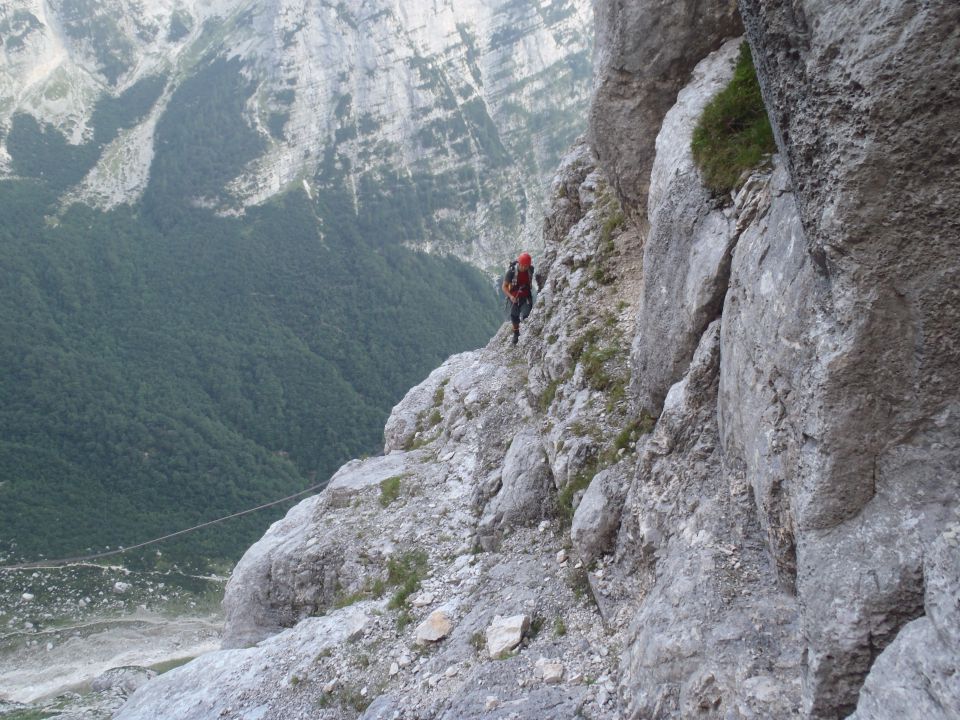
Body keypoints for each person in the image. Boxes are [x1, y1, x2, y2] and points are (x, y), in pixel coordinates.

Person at [502, 251, 535, 345]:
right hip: (514, 297)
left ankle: (527, 334)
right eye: (523, 265)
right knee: (514, 316)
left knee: (526, 315)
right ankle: (516, 333)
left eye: (526, 266)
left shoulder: (530, 269)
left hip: (526, 296)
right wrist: (511, 296)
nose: (524, 268)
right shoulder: (511, 272)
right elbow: (504, 287)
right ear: (519, 263)